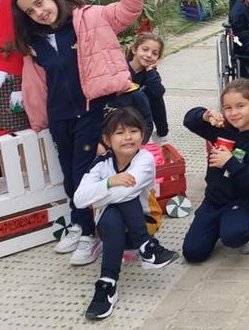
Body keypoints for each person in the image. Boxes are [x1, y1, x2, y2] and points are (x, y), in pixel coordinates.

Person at [12, 0, 143, 266]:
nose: (39, 12)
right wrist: (38, 121)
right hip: (60, 118)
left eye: (40, 3)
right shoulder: (35, 44)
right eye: (30, 11)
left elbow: (129, 11)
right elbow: (37, 86)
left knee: (82, 174)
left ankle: (88, 234)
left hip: (91, 111)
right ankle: (79, 224)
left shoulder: (90, 18)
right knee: (70, 177)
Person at [74, 107, 178, 320]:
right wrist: (109, 182)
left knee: (122, 200)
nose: (128, 137)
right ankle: (109, 282)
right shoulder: (101, 165)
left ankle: (139, 249)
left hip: (145, 222)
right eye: (120, 133)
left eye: (133, 131)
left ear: (143, 134)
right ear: (107, 139)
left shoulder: (144, 159)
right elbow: (78, 200)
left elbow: (127, 192)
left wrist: (98, 194)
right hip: (112, 232)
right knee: (112, 214)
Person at [181, 78, 249, 262]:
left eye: (240, 106)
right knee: (193, 253)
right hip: (214, 199)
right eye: (228, 107)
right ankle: (219, 222)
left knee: (233, 237)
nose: (233, 113)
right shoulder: (223, 128)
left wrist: (230, 163)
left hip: (243, 200)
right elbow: (189, 120)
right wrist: (206, 115)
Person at [128, 33, 169, 144]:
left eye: (154, 53)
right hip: (122, 118)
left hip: (143, 121)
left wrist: (150, 70)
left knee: (154, 94)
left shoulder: (151, 75)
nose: (149, 55)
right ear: (134, 50)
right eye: (145, 50)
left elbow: (158, 93)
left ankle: (161, 132)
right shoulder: (122, 70)